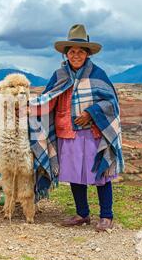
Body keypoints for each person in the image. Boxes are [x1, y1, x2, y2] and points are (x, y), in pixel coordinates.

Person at [29, 24, 124, 231]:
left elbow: (112, 103)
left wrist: (91, 112)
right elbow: (49, 98)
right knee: (75, 175)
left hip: (93, 133)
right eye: (72, 51)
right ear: (66, 53)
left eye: (81, 51)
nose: (76, 55)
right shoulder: (60, 75)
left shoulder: (98, 75)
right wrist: (28, 108)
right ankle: (82, 214)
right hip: (67, 132)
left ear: (88, 54)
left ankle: (106, 215)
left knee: (100, 174)